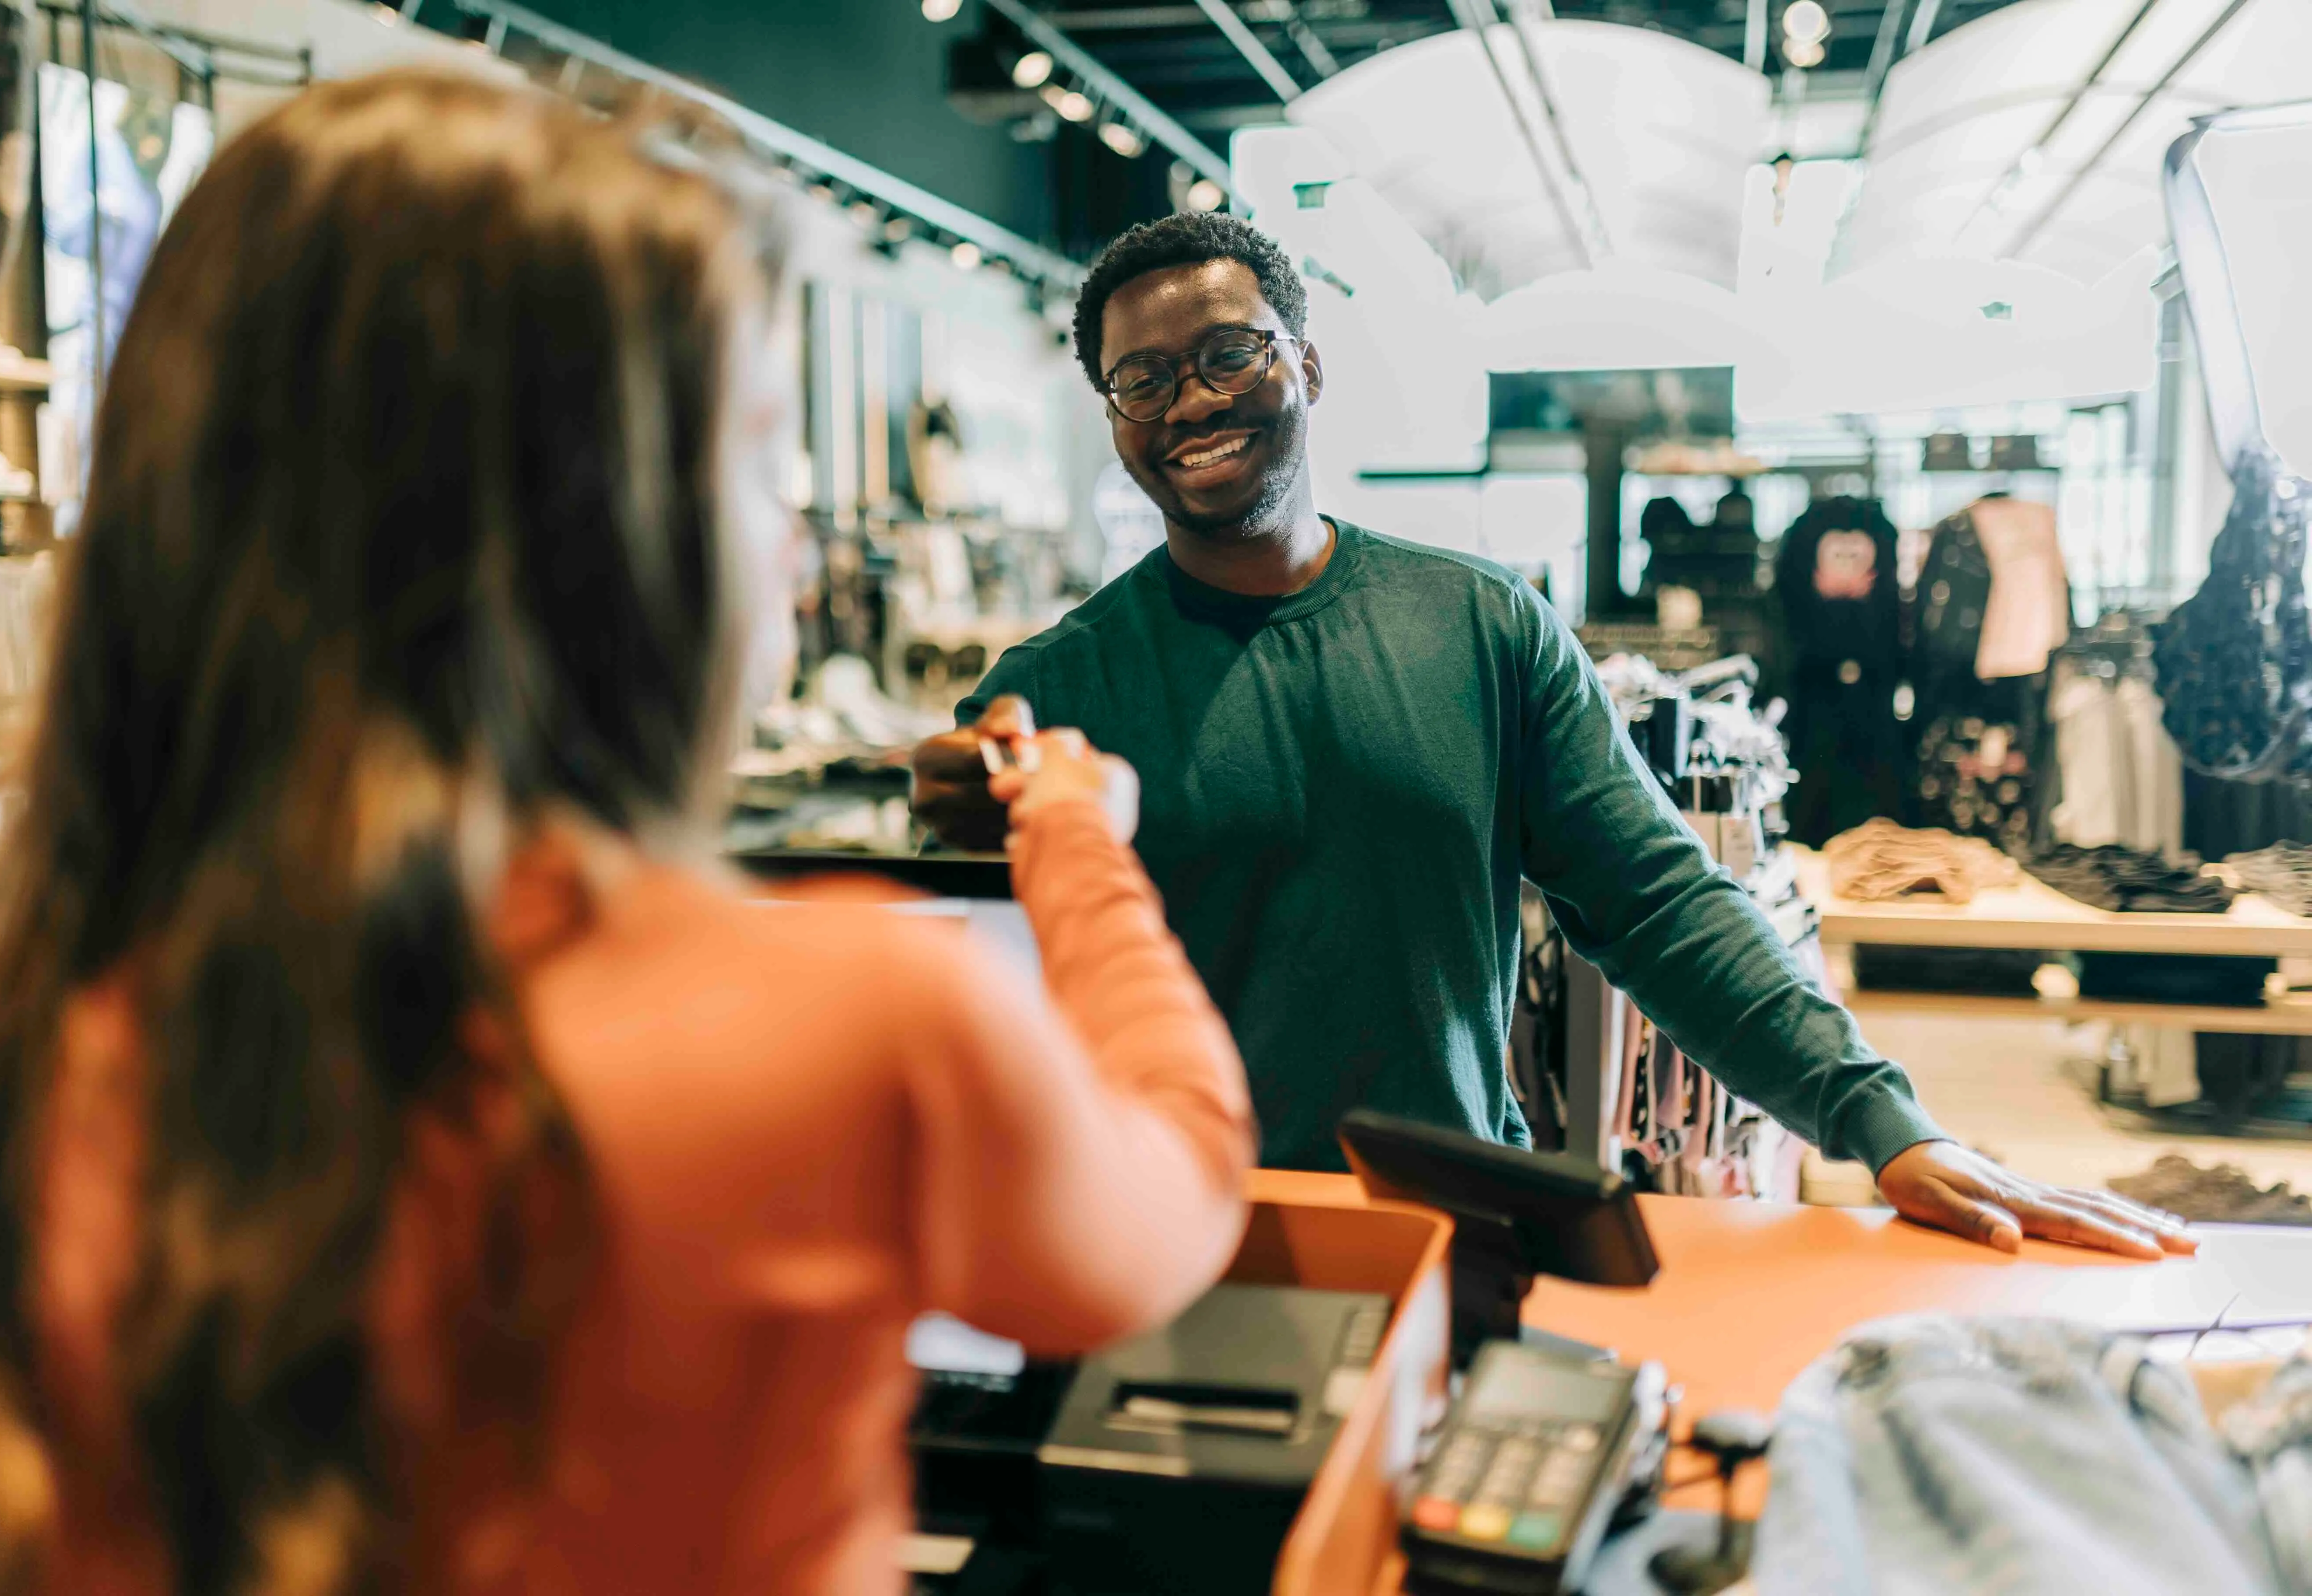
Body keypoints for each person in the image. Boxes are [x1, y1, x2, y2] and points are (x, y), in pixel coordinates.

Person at [0, 73, 1253, 1596]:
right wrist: (1078, 840)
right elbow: (1174, 1193)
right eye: (758, 454)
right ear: (614, 525)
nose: (797, 537)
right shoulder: (849, 1021)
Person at [913, 213, 2191, 1261]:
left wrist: (1884, 1124)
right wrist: (944, 838)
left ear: (1305, 365)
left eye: (1230, 355)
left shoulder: (1478, 626)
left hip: (1452, 1225)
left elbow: (1657, 904)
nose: (1190, 400)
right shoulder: (1056, 688)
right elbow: (978, 1008)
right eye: (1142, 379)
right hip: (1165, 1241)